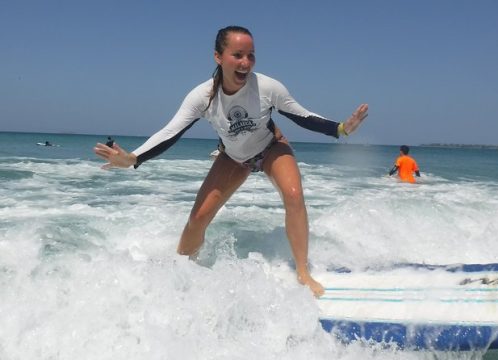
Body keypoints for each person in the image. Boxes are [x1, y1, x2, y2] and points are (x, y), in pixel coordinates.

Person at [94, 25, 368, 297]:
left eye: (251, 55)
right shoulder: (202, 96)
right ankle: (179, 272)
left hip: (271, 147)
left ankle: (303, 272)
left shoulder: (267, 87)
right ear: (218, 57)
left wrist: (341, 129)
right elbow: (171, 132)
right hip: (234, 157)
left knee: (294, 196)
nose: (245, 63)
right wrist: (134, 158)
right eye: (237, 55)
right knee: (197, 218)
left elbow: (302, 115)